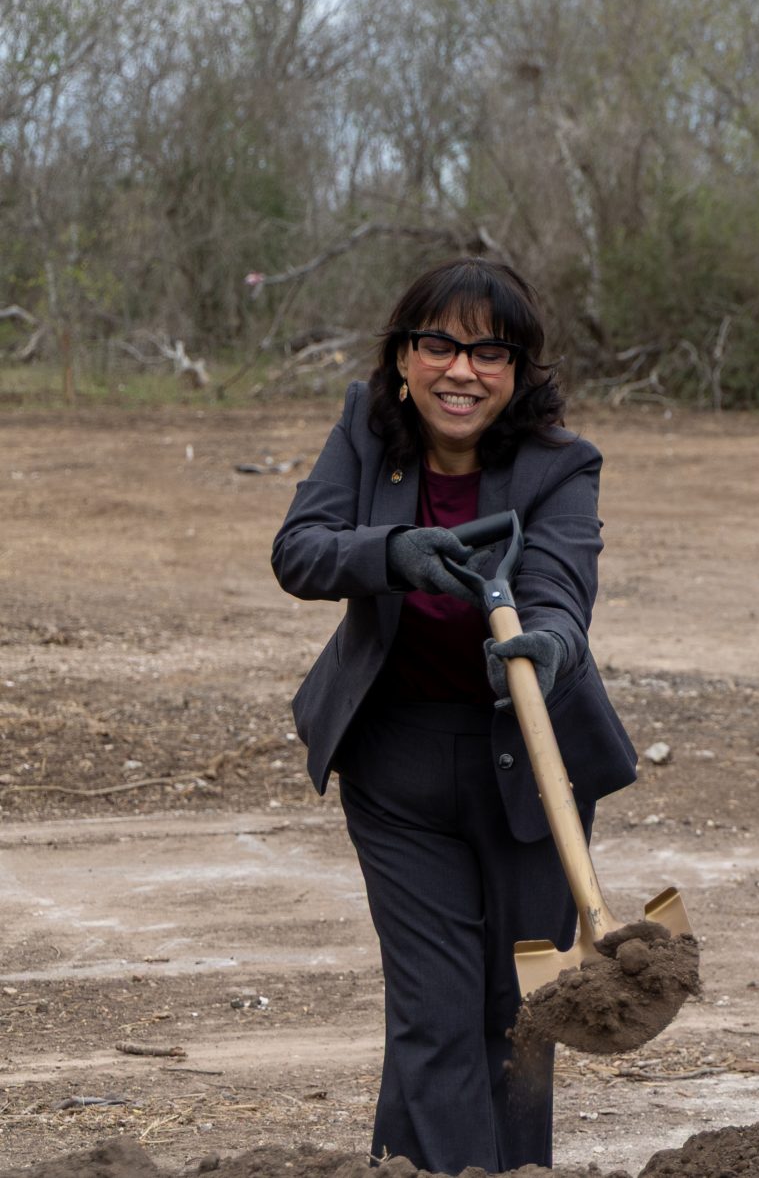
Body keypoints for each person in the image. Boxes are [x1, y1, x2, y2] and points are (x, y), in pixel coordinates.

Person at [273, 256, 636, 1174]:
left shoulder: (561, 463)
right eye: (439, 344)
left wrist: (547, 645)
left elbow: (561, 584)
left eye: (489, 351)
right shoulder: (367, 431)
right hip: (397, 764)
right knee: (433, 1014)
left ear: (518, 370)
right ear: (404, 357)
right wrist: (392, 551)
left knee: (519, 1017)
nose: (461, 369)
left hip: (533, 765)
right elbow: (301, 549)